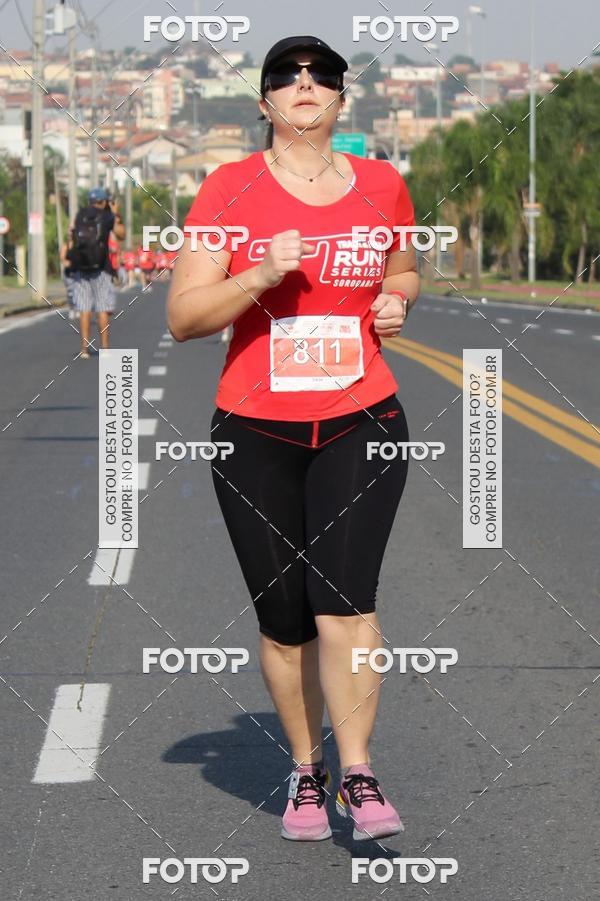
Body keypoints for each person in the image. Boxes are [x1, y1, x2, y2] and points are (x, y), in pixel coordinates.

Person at [167, 35, 420, 843]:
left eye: (322, 77)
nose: (304, 85)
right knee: (286, 618)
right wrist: (257, 276)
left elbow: (403, 267)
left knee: (345, 602)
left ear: (344, 100)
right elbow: (182, 318)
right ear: (265, 102)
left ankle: (359, 770)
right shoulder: (229, 187)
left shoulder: (383, 185)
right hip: (255, 427)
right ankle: (305, 768)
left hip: (362, 417)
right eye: (287, 75)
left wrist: (397, 303)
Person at [68, 187, 125, 358]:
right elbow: (121, 234)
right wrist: (115, 214)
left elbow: (71, 235)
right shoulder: (107, 216)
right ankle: (105, 348)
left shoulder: (81, 215)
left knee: (84, 309)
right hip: (102, 268)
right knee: (102, 309)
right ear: (104, 201)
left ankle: (84, 349)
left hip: (81, 267)